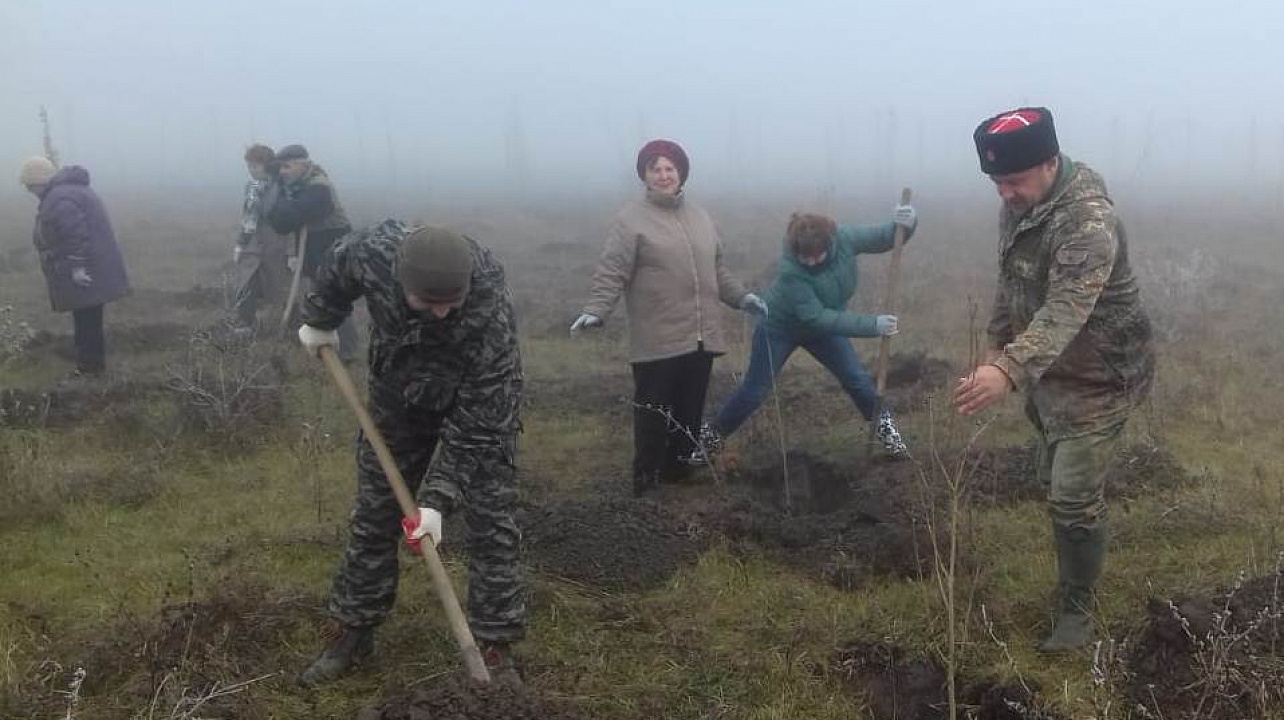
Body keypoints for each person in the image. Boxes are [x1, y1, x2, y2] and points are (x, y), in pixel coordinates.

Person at [954, 107, 1155, 652]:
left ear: (1049, 163)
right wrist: (998, 341)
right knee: (1053, 474)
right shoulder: (1023, 206)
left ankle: (1077, 609)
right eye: (996, 182)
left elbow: (1067, 309)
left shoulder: (1088, 224)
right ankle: (1075, 551)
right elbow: (1011, 276)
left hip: (1099, 374)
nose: (1005, 194)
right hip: (1047, 369)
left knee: (1071, 498)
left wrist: (1007, 369)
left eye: (1013, 181)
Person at [295, 221, 525, 686]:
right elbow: (337, 266)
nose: (441, 313)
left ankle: (495, 647)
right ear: (401, 283)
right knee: (375, 512)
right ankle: (354, 631)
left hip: (474, 406)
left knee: (492, 520)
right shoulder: (375, 254)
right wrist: (321, 318)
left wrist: (435, 500)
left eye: (450, 303)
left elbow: (481, 423)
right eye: (427, 302)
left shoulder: (490, 316)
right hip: (397, 396)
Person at [570, 139, 766, 495]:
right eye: (654, 169)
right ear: (644, 176)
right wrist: (596, 310)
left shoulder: (700, 216)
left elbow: (716, 269)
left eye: (669, 169)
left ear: (681, 174)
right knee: (653, 413)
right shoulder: (631, 221)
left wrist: (741, 297)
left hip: (701, 336)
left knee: (689, 412)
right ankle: (645, 482)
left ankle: (678, 474)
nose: (663, 175)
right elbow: (613, 270)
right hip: (657, 338)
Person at [700, 206, 918, 461]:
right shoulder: (791, 272)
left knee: (856, 378)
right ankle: (709, 439)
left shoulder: (845, 238)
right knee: (755, 390)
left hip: (823, 327)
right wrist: (873, 325)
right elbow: (818, 318)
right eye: (806, 257)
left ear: (830, 243)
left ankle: (886, 430)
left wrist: (907, 223)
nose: (812, 261)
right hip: (779, 329)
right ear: (796, 250)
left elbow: (886, 237)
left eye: (818, 255)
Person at [19, 157, 129, 378]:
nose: (30, 191)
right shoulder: (67, 192)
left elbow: (75, 234)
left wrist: (77, 267)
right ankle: (89, 366)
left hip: (86, 271)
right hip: (93, 267)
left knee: (87, 319)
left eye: (30, 185)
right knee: (87, 317)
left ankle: (90, 370)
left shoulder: (59, 198)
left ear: (39, 181)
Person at [268, 144, 358, 358]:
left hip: (334, 253)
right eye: (280, 168)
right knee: (318, 299)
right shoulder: (299, 186)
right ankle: (321, 343)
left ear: (304, 164)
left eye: (287, 167)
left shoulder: (319, 189)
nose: (282, 172)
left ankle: (345, 351)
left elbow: (284, 221)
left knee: (334, 300)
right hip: (315, 253)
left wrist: (279, 199)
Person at [230, 144, 289, 333]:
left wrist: (240, 243)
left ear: (267, 165)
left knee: (279, 285)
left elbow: (250, 219)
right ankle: (246, 324)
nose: (252, 171)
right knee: (247, 284)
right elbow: (250, 218)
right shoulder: (266, 186)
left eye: (255, 166)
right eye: (250, 167)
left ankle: (289, 325)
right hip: (258, 245)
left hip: (273, 243)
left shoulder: (279, 186)